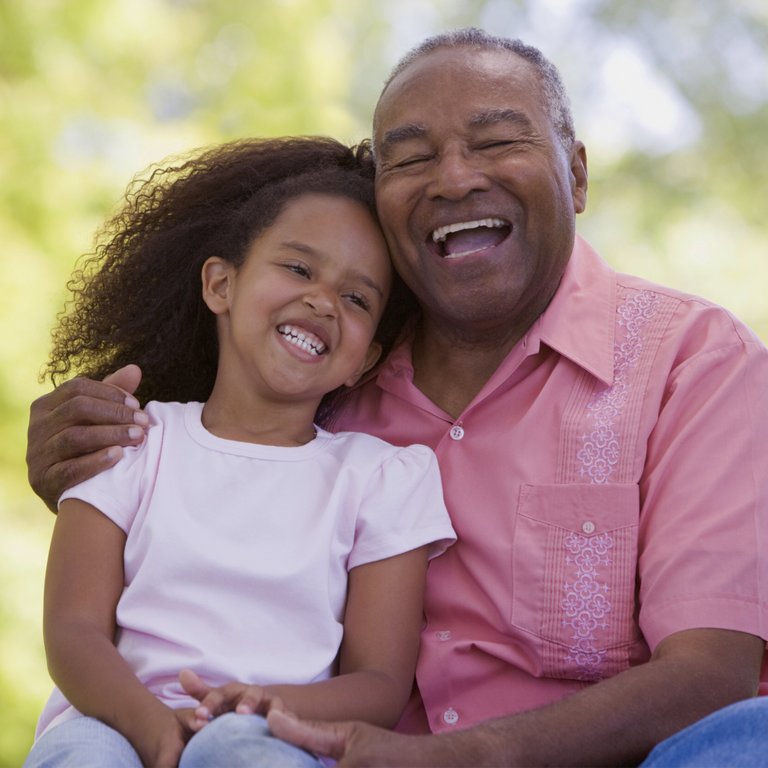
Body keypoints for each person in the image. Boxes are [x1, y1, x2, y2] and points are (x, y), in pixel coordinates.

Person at [26, 27, 768, 767]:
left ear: (576, 174)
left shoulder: (693, 362)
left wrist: (467, 757)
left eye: (495, 141)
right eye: (411, 158)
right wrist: (76, 452)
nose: (452, 179)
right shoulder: (322, 380)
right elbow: (191, 481)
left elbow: (712, 674)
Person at [23, 135, 456, 768]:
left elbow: (380, 686)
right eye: (299, 268)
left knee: (239, 750)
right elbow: (72, 632)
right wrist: (157, 729)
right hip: (113, 715)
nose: (322, 300)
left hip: (274, 728)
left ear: (364, 361)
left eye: (357, 298)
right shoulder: (132, 440)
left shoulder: (381, 478)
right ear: (221, 284)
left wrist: (254, 705)